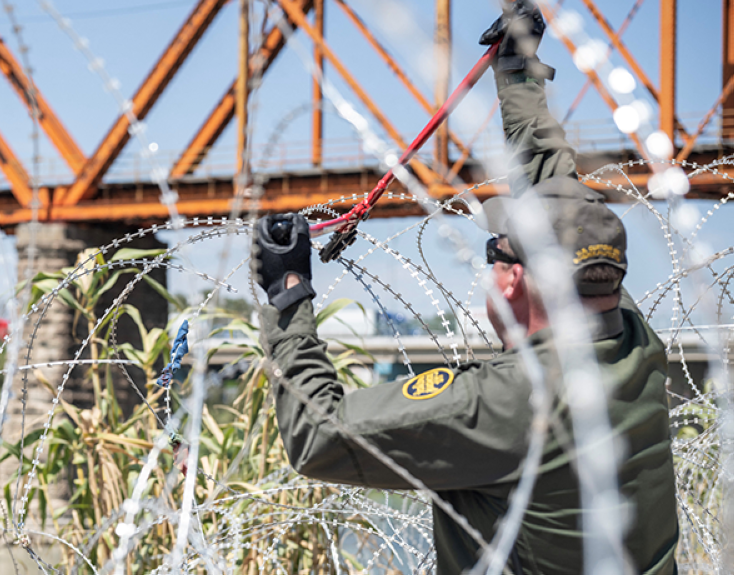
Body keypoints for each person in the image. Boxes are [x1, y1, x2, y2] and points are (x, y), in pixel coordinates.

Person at [251, 2, 678, 574]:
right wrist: (517, 71)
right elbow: (555, 181)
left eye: (493, 252)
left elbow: (317, 435)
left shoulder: (511, 403)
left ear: (515, 278)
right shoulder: (627, 333)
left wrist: (288, 294)